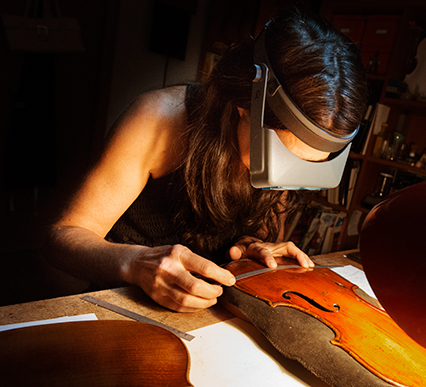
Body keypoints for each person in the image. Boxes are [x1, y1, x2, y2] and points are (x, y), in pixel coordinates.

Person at [44, 8, 368, 312]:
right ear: (246, 104)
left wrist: (254, 248)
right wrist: (135, 263)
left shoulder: (287, 145)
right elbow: (63, 237)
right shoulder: (159, 119)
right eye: (284, 157)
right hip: (122, 302)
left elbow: (251, 232)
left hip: (209, 311)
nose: (287, 177)